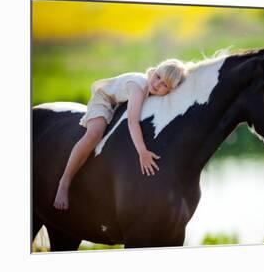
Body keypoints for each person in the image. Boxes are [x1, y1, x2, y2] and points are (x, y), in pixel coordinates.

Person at [53, 58, 188, 210]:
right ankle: (64, 182)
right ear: (154, 71)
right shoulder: (139, 87)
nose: (157, 84)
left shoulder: (151, 90)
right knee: (95, 134)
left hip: (119, 105)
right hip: (105, 100)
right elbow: (132, 122)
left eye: (165, 85)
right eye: (158, 77)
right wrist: (142, 152)